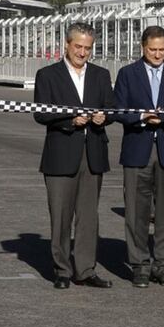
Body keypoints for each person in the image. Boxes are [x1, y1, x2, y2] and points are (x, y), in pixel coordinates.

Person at [33, 22, 115, 290]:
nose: (82, 52)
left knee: (89, 217)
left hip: (93, 153)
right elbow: (41, 113)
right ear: (67, 45)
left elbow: (111, 108)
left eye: (87, 48)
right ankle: (62, 270)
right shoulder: (47, 75)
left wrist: (103, 117)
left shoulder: (101, 75)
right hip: (61, 154)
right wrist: (70, 120)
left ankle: (85, 270)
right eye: (78, 46)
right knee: (61, 215)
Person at [113, 25, 164, 288]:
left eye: (162, 50)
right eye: (153, 50)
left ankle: (163, 266)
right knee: (137, 212)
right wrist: (142, 117)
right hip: (138, 149)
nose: (158, 54)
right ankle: (140, 266)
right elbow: (118, 110)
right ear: (142, 47)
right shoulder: (128, 74)